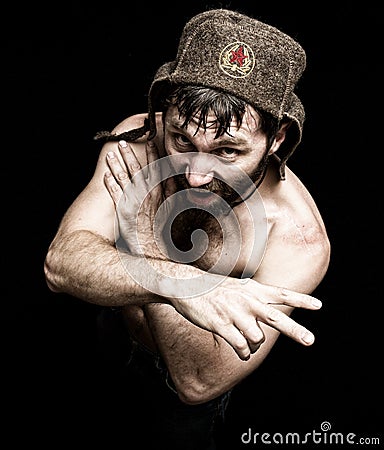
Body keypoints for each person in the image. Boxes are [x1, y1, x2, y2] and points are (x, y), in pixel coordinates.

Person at [44, 8, 330, 449]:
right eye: (182, 141)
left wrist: (143, 240)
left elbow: (197, 382)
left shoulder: (297, 239)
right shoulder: (140, 140)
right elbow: (60, 266)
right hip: (106, 330)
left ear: (277, 141)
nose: (196, 174)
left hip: (174, 398)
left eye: (228, 151)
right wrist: (182, 281)